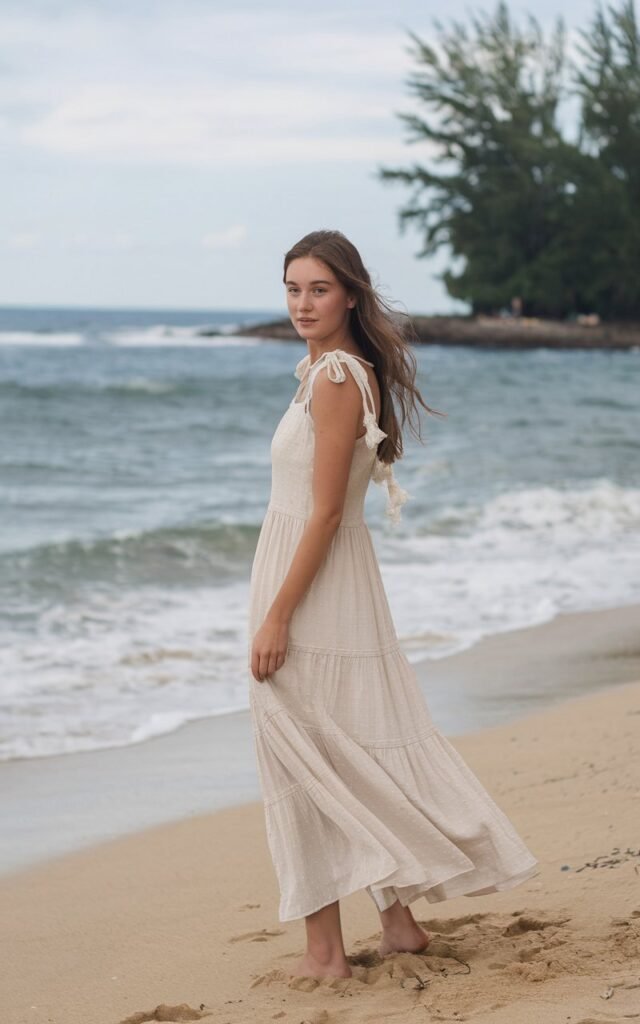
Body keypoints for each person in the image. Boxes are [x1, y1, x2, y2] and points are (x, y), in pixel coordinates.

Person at [247, 229, 539, 981]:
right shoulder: (320, 370)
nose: (302, 304)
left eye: (317, 289)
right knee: (340, 745)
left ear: (349, 293)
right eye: (292, 289)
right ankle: (399, 923)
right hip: (319, 579)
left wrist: (277, 613)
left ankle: (324, 954)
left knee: (305, 752)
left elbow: (325, 515)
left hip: (313, 586)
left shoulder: (338, 376)